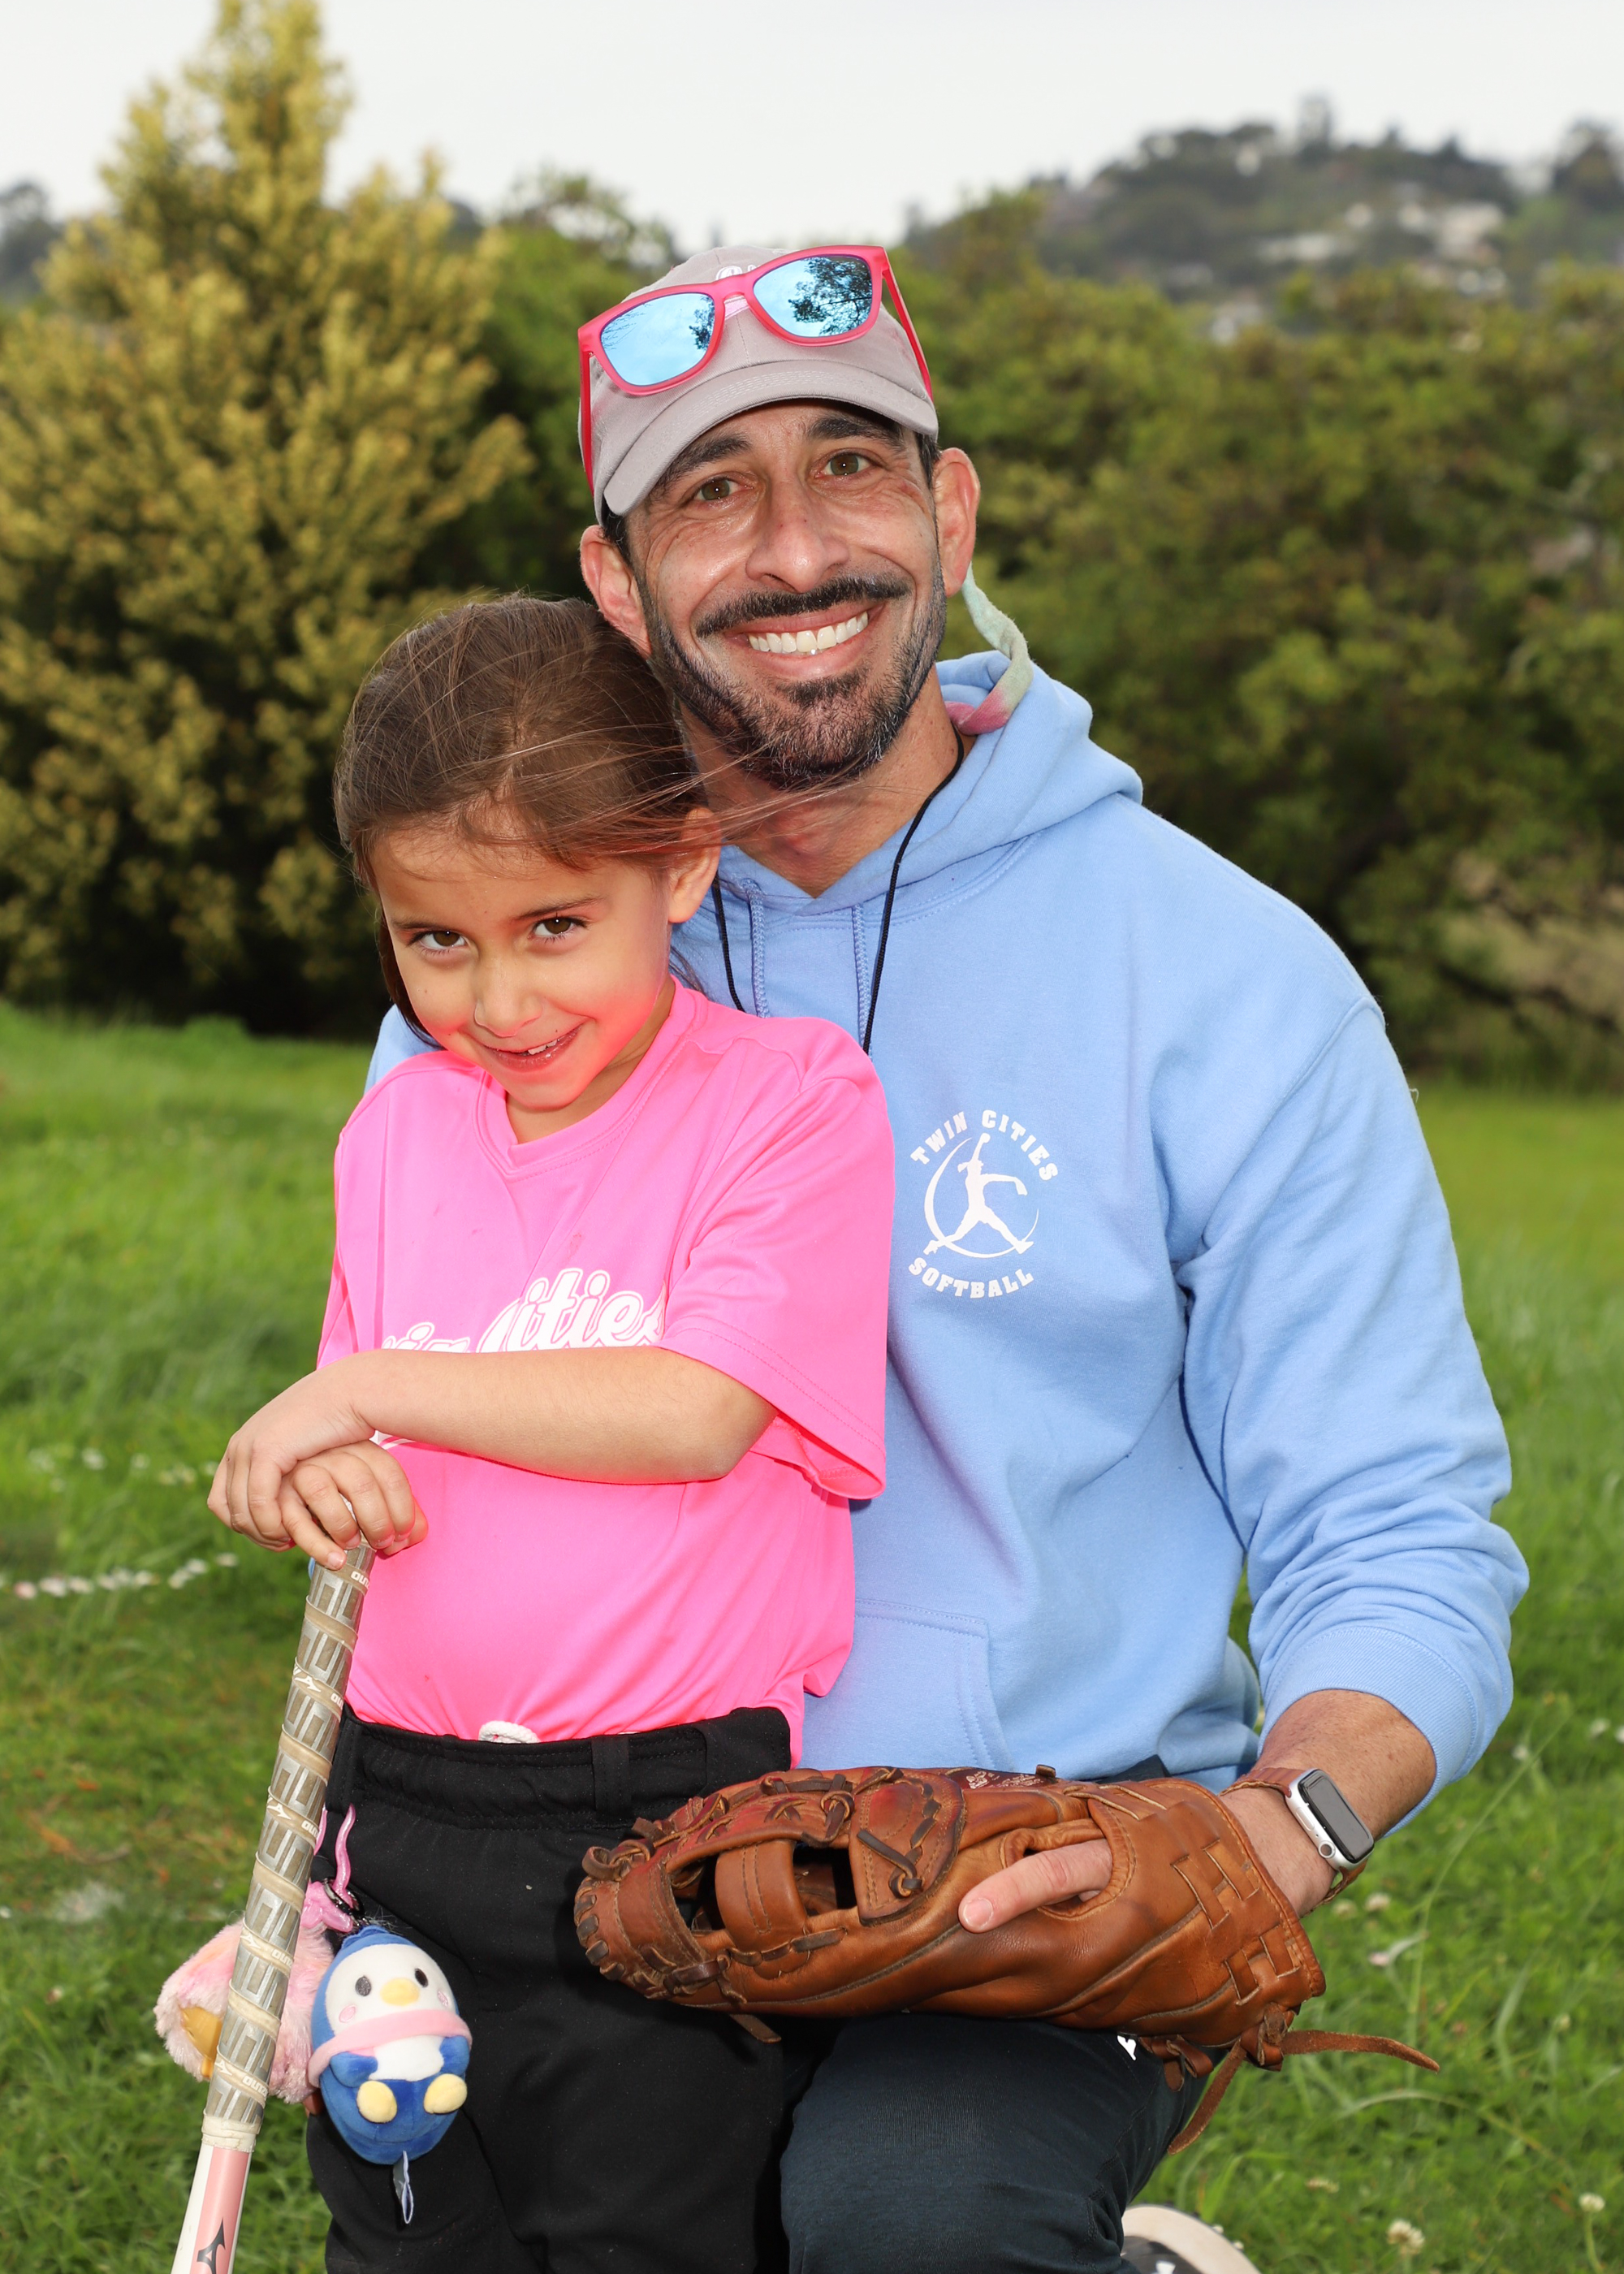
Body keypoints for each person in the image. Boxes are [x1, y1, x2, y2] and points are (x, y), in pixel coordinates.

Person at [365, 248, 1527, 2274]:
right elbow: (413, 1477)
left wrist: (1274, 1828)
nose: (795, 546)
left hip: (1024, 1869)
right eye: (709, 492)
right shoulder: (514, 994)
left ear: (953, 512)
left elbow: (1400, 1527)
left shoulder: (1230, 978)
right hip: (582, 1842)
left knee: (901, 2222)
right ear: (616, 582)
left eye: (849, 466)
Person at [209, 595, 895, 2273]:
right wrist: (325, 1470)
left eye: (554, 924)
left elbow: (698, 1408)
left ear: (685, 865)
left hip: (663, 1828)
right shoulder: (400, 1133)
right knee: (409, 2232)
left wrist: (369, 1390)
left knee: (642, 2235)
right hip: (404, 1808)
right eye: (437, 940)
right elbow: (359, 1450)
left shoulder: (791, 1104)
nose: (501, 997)